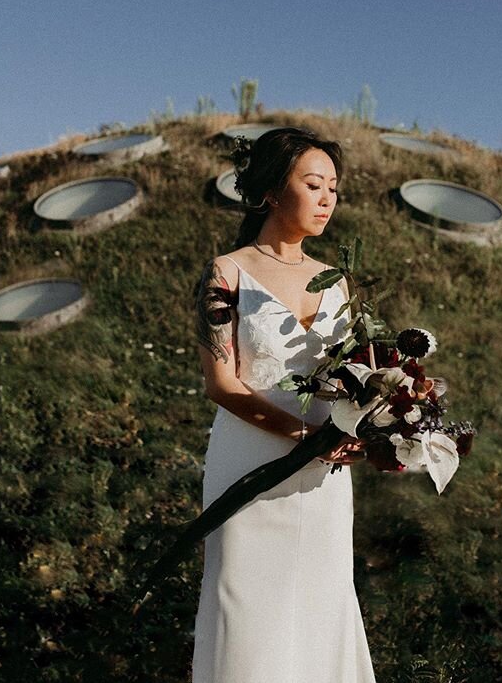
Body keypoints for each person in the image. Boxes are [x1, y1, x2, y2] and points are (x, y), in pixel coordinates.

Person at [191, 128, 376, 683]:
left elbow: (356, 376)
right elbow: (222, 384)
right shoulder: (226, 273)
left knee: (322, 602)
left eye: (334, 189)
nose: (327, 199)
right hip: (250, 463)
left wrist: (378, 420)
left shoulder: (337, 281)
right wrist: (304, 436)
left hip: (325, 475)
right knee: (246, 607)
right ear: (272, 191)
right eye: (313, 184)